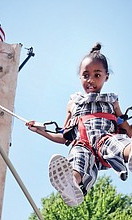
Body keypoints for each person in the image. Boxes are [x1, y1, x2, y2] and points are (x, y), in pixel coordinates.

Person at [26, 43, 132, 207]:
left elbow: (124, 126)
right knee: (78, 158)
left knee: (117, 143)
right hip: (83, 144)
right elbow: (64, 135)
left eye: (97, 75)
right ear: (80, 77)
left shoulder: (112, 100)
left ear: (106, 77)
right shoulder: (74, 102)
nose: (90, 80)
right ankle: (72, 185)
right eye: (86, 75)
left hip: (105, 138)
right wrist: (41, 131)